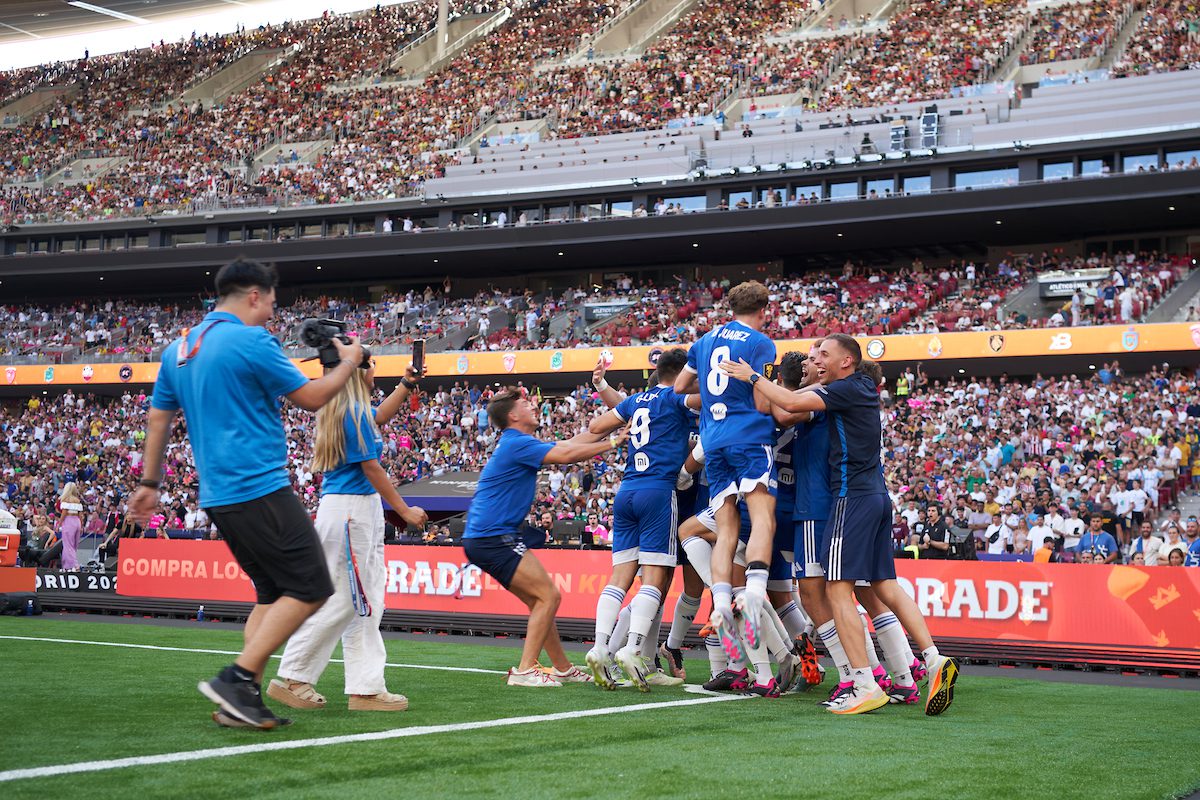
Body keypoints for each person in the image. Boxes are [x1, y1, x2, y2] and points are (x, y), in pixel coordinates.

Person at [129, 258, 364, 730]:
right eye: (272, 303)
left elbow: (159, 419)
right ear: (254, 295)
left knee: (272, 593)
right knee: (313, 586)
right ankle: (236, 679)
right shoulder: (251, 339)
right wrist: (349, 363)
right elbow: (314, 398)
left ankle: (240, 699)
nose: (273, 314)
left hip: (218, 493)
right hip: (258, 485)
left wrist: (150, 484)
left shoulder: (179, 349)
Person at [721, 333, 959, 716]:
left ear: (845, 361)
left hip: (846, 499)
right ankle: (931, 660)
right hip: (875, 497)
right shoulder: (858, 387)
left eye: (823, 355)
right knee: (882, 587)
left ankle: (862, 679)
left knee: (834, 590)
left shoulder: (840, 391)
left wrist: (753, 376)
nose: (817, 361)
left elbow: (788, 407)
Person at [269, 363, 428, 714]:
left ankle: (366, 688)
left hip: (356, 510)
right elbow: (371, 467)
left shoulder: (352, 409)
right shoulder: (352, 411)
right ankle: (294, 675)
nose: (374, 371)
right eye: (371, 365)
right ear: (360, 372)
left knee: (367, 603)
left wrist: (405, 383)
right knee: (345, 598)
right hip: (350, 511)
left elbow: (380, 416)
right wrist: (403, 510)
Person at [462, 388, 623, 687]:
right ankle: (524, 671)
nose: (532, 405)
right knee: (549, 596)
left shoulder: (519, 443)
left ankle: (561, 667)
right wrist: (612, 442)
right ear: (513, 415)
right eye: (525, 403)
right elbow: (567, 454)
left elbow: (571, 443)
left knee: (541, 601)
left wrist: (614, 425)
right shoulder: (517, 444)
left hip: (489, 537)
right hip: (493, 537)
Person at [673, 281, 777, 663]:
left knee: (725, 528)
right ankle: (751, 595)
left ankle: (719, 604)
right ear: (764, 308)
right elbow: (765, 404)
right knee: (763, 516)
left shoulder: (703, 341)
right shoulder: (760, 342)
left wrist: (713, 398)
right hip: (748, 435)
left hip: (712, 440)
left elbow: (681, 386)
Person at [586, 348, 696, 691]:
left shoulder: (637, 401)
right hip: (658, 491)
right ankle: (633, 650)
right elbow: (710, 402)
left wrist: (607, 391)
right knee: (656, 576)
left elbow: (595, 425)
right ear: (681, 375)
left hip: (626, 491)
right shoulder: (678, 399)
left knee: (619, 578)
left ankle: (600, 648)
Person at [56, 483, 84, 571]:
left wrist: (59, 524)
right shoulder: (78, 500)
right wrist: (82, 526)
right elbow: (80, 515)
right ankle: (68, 565)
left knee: (68, 544)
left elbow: (64, 513)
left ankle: (74, 565)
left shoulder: (65, 500)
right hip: (77, 521)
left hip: (69, 521)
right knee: (74, 545)